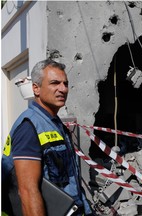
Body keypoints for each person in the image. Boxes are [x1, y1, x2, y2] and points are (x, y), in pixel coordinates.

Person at [2, 59, 93, 215]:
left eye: (65, 83)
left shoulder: (54, 123)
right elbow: (28, 192)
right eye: (54, 83)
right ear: (36, 89)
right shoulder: (29, 128)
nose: (63, 89)